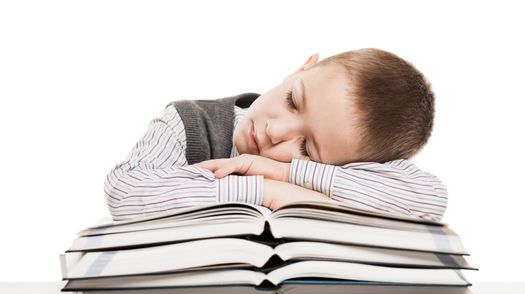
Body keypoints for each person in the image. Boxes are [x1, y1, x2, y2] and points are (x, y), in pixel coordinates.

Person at [104, 48, 447, 222]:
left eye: (307, 148)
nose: (275, 130)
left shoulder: (343, 163)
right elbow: (126, 191)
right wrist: (267, 190)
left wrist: (287, 172)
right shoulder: (189, 122)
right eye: (293, 101)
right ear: (302, 69)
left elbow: (430, 198)